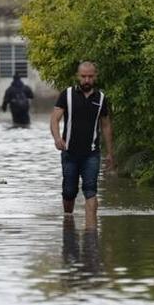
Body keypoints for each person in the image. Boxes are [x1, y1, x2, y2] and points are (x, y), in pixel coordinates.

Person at [50, 62, 114, 230]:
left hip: (91, 154)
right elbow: (54, 119)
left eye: (90, 77)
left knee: (90, 189)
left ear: (95, 77)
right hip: (69, 153)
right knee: (69, 191)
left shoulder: (101, 98)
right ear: (78, 76)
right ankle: (68, 222)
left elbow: (106, 125)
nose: (87, 80)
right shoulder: (67, 95)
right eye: (83, 76)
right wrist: (57, 138)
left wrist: (110, 153)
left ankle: (91, 233)